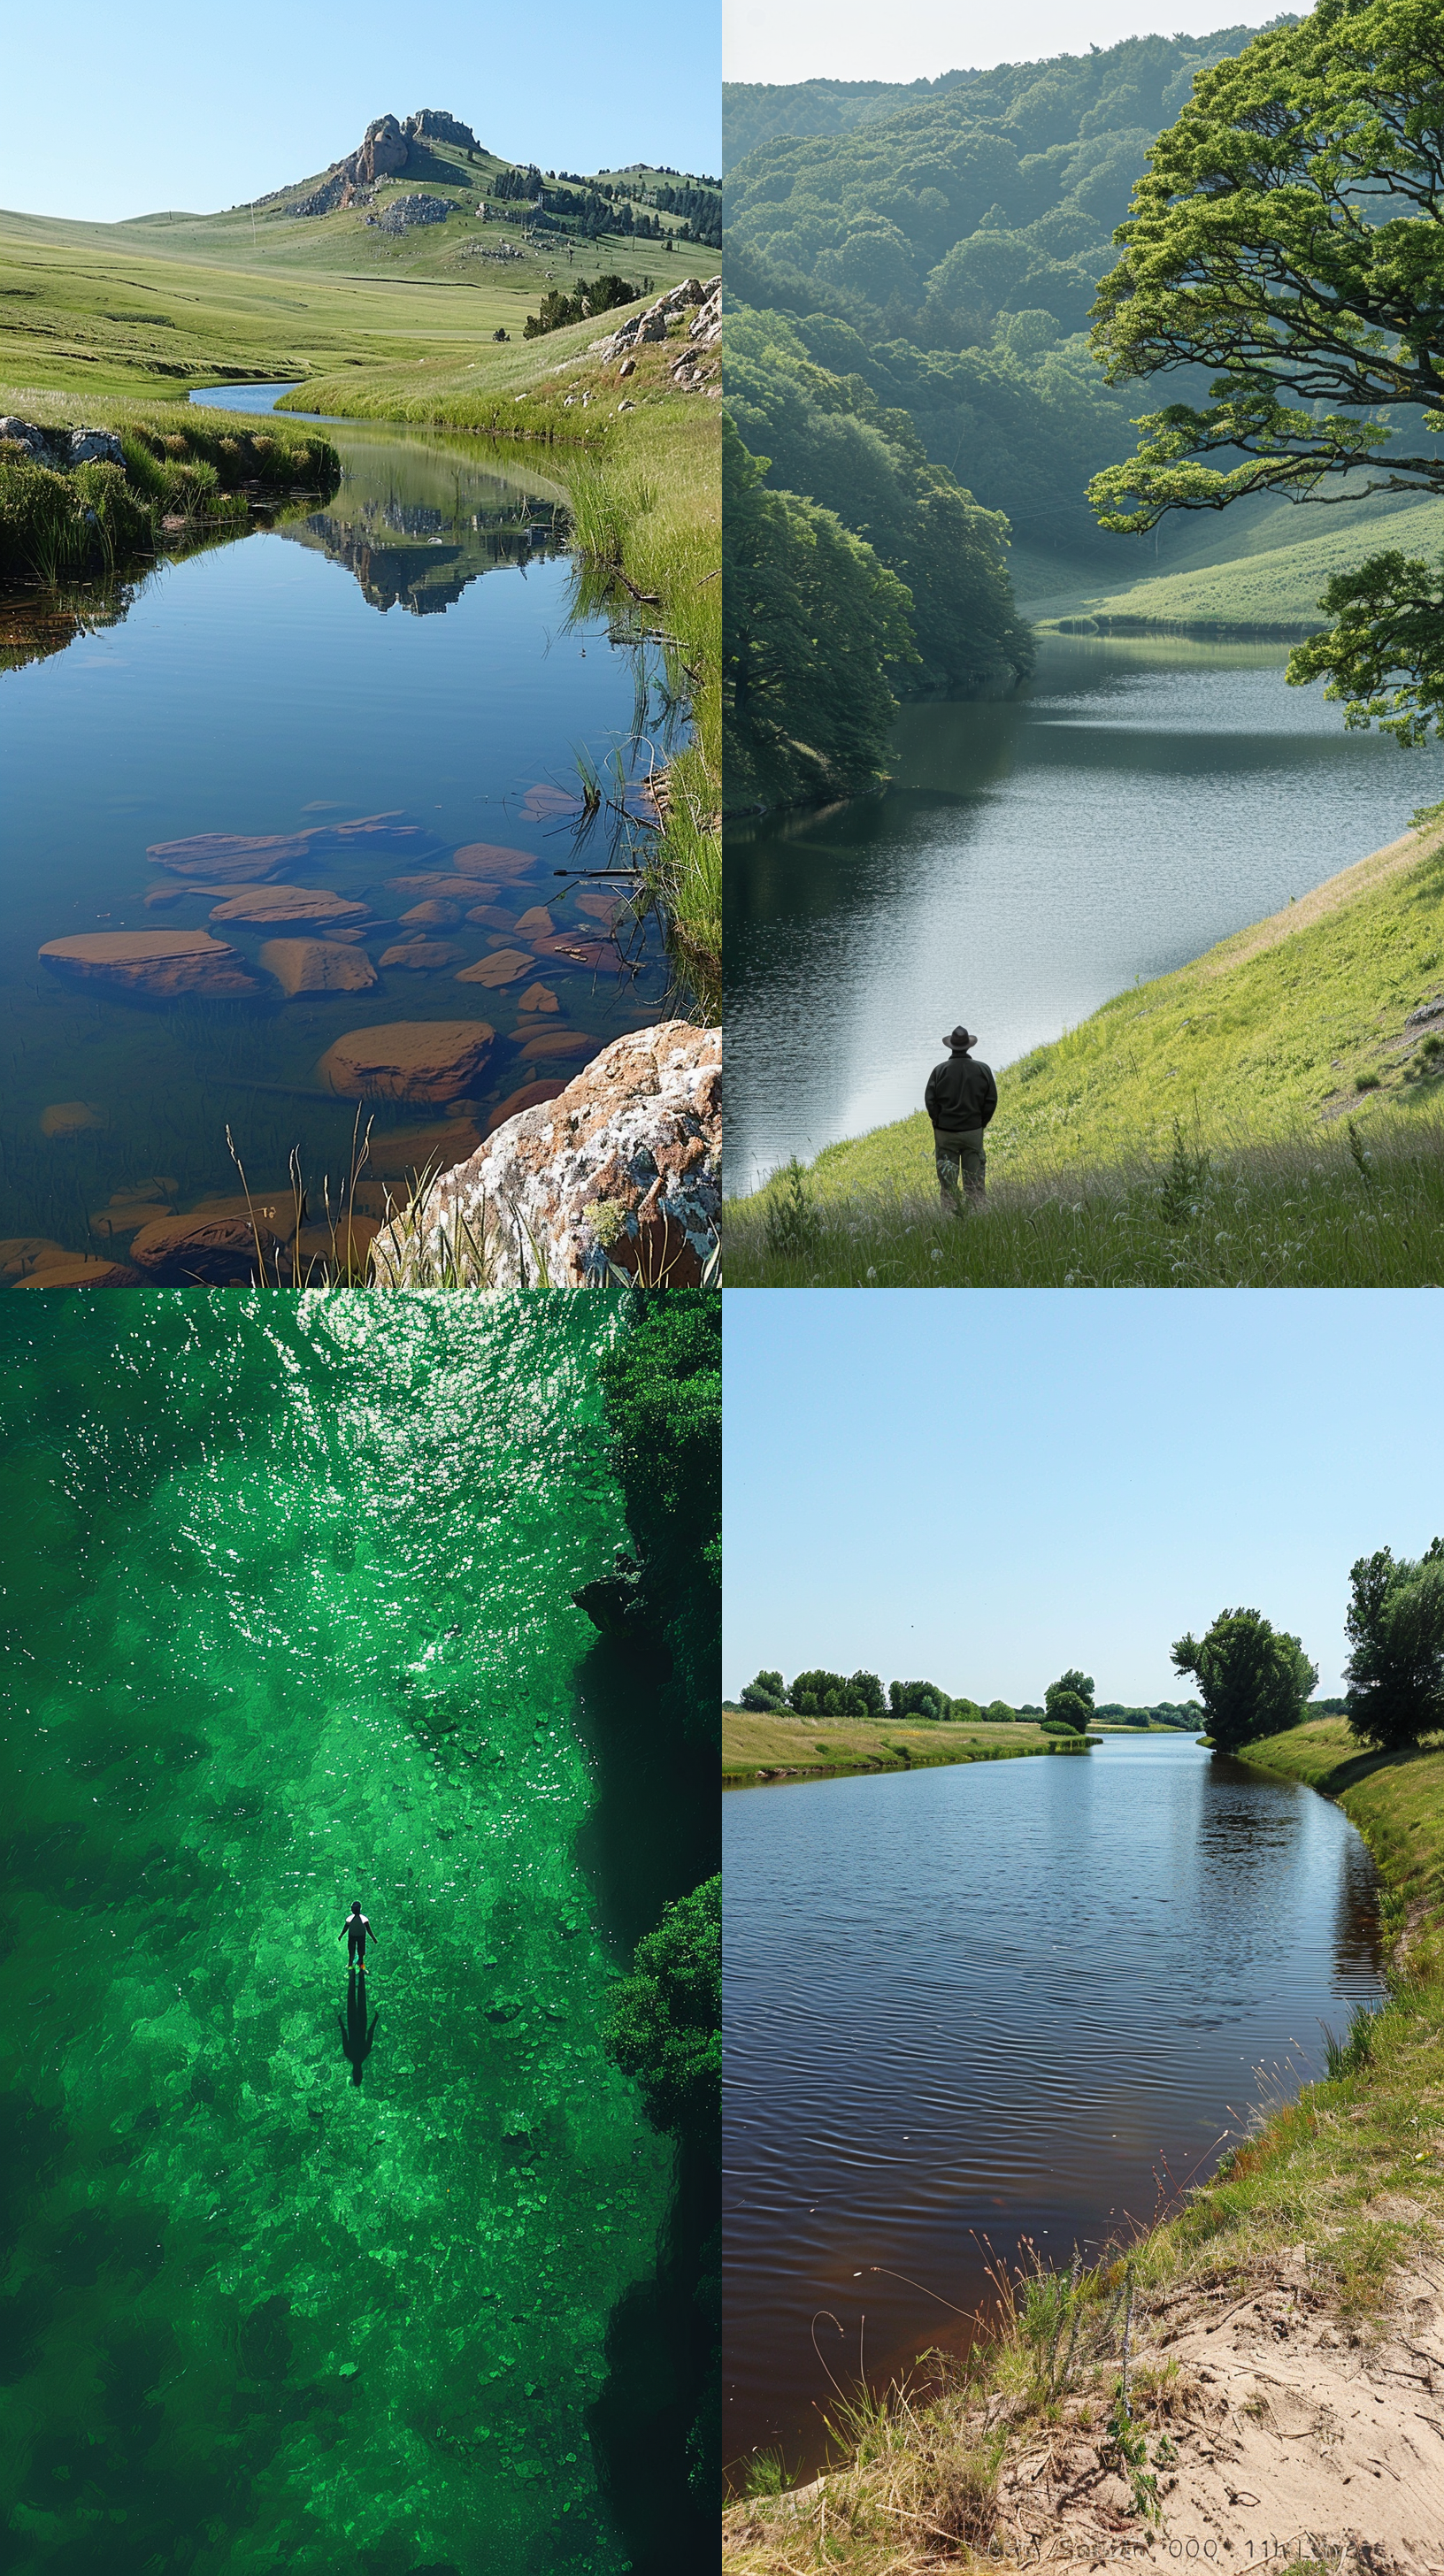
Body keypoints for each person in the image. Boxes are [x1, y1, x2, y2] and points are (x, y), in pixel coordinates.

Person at [925, 1024, 997, 1215]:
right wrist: (981, 1123)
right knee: (975, 1185)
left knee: (947, 1185)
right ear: (968, 1046)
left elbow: (930, 1101)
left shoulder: (939, 1070)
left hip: (945, 1132)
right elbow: (991, 1101)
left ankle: (950, 1220)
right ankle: (977, 1219)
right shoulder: (983, 1069)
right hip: (973, 1131)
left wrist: (938, 1121)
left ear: (951, 1047)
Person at [340, 1900, 378, 1972]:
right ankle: (353, 1964)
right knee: (352, 1951)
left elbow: (369, 1929)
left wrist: (373, 1938)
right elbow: (345, 1928)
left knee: (360, 1952)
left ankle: (357, 1964)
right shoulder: (353, 1919)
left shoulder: (360, 1919)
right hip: (357, 1936)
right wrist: (341, 1935)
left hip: (358, 1936)